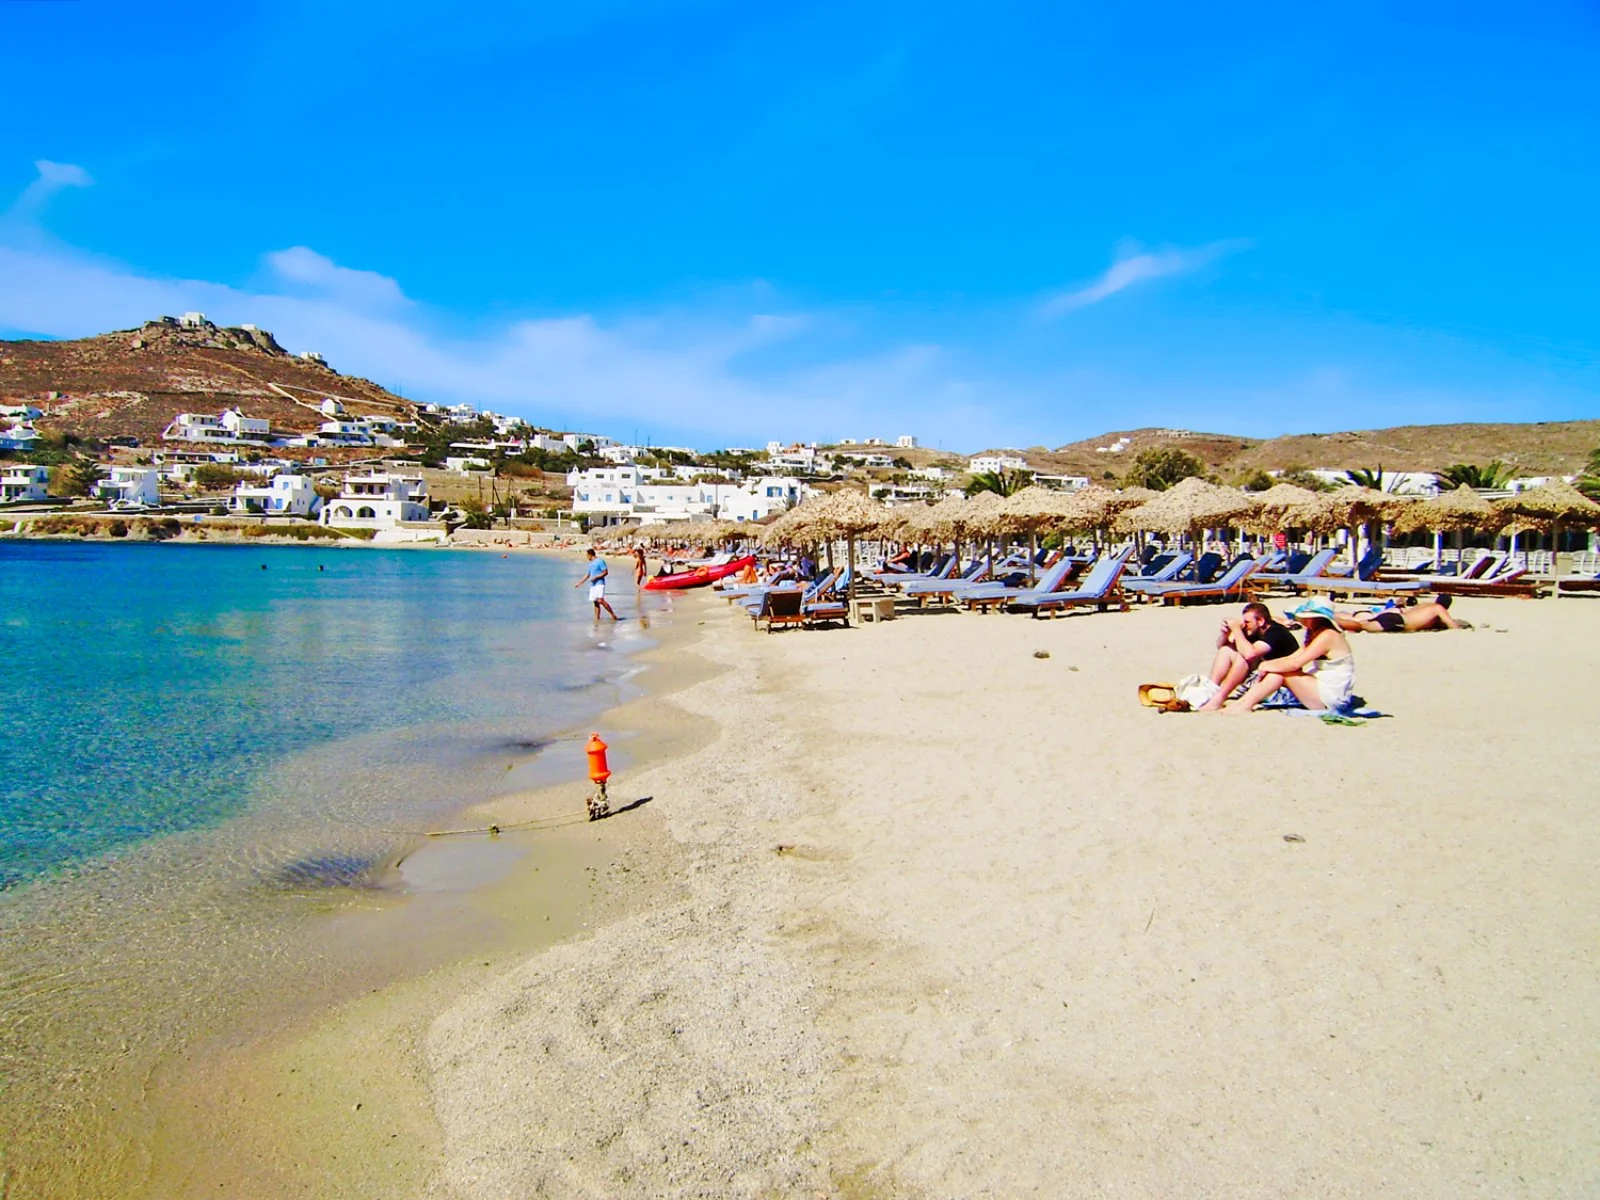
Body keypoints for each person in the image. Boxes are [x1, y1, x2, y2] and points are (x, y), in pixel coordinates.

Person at [1230, 598, 1355, 713]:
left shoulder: (1328, 636)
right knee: (1277, 671)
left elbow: (1296, 663)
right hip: (1322, 688)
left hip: (1332, 695)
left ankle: (1245, 705)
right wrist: (1267, 665)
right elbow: (1293, 657)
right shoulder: (1318, 634)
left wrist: (1267, 666)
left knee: (1280, 673)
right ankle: (1243, 703)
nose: (1304, 621)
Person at [1196, 601, 1301, 711]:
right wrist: (1226, 634)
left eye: (1248, 622)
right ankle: (1210, 691)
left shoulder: (1276, 633)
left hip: (1281, 685)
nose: (1245, 625)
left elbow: (1250, 654)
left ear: (1260, 621)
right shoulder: (1255, 631)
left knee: (1244, 657)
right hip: (1264, 678)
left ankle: (1219, 698)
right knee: (1227, 650)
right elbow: (1222, 646)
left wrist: (1236, 629)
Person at [1337, 595, 1464, 633]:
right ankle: (1335, 622)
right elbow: (1453, 626)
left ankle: (1335, 620)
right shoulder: (1439, 609)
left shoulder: (1424, 605)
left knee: (1361, 623)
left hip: (1394, 615)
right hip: (1398, 622)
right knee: (1361, 626)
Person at [575, 548, 619, 621]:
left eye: (587, 555)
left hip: (600, 583)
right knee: (595, 602)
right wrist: (579, 583)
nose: (586, 557)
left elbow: (605, 572)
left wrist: (596, 577)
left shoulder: (600, 561)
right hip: (593, 585)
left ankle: (613, 615)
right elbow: (587, 575)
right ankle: (597, 618)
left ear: (590, 555)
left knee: (600, 600)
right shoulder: (591, 564)